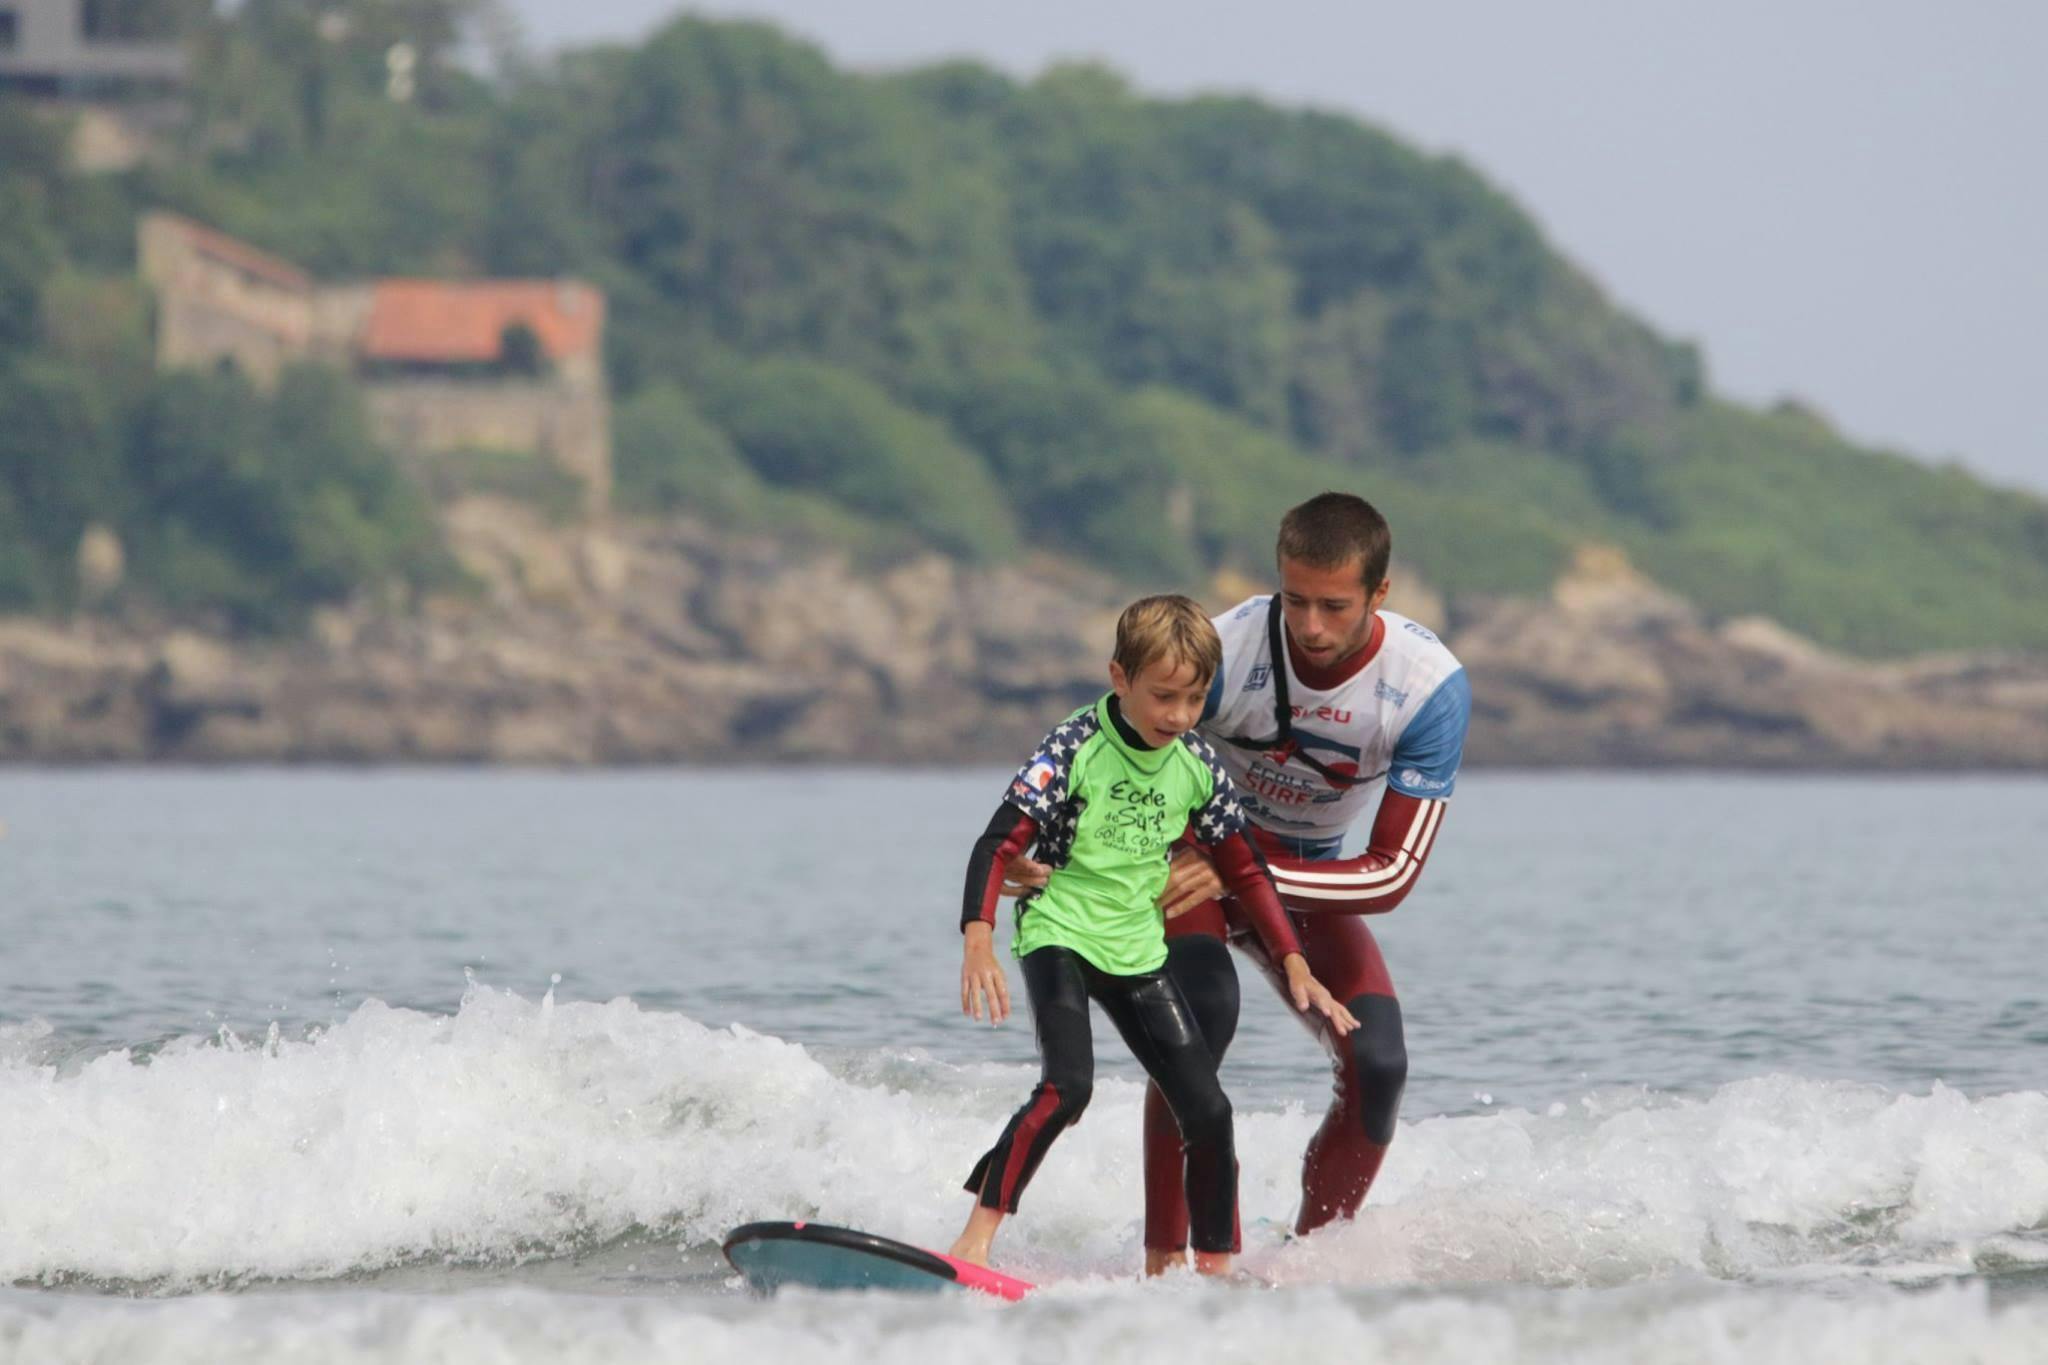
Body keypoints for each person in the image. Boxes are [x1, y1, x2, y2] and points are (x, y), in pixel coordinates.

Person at [1006, 493, 1471, 1275]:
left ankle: (1309, 1262)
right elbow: (1103, 743)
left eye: (1334, 606)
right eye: (1295, 600)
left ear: (1380, 594)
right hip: (1186, 861)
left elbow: (1391, 873)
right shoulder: (1229, 650)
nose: (1310, 626)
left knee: (1379, 1063)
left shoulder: (1428, 687)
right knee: (1198, 1017)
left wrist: (1240, 872)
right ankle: (1166, 1267)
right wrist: (1033, 846)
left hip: (1302, 875)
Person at [950, 594, 1359, 1278]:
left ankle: (1213, 1273)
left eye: (1195, 698)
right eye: (1163, 696)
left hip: (1137, 945)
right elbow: (997, 844)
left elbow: (1245, 869)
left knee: (1209, 1109)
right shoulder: (1075, 746)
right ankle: (974, 1240)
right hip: (1060, 929)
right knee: (1068, 1087)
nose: (1179, 716)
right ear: (1121, 677)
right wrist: (977, 939)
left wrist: (1293, 959)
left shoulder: (1195, 763)